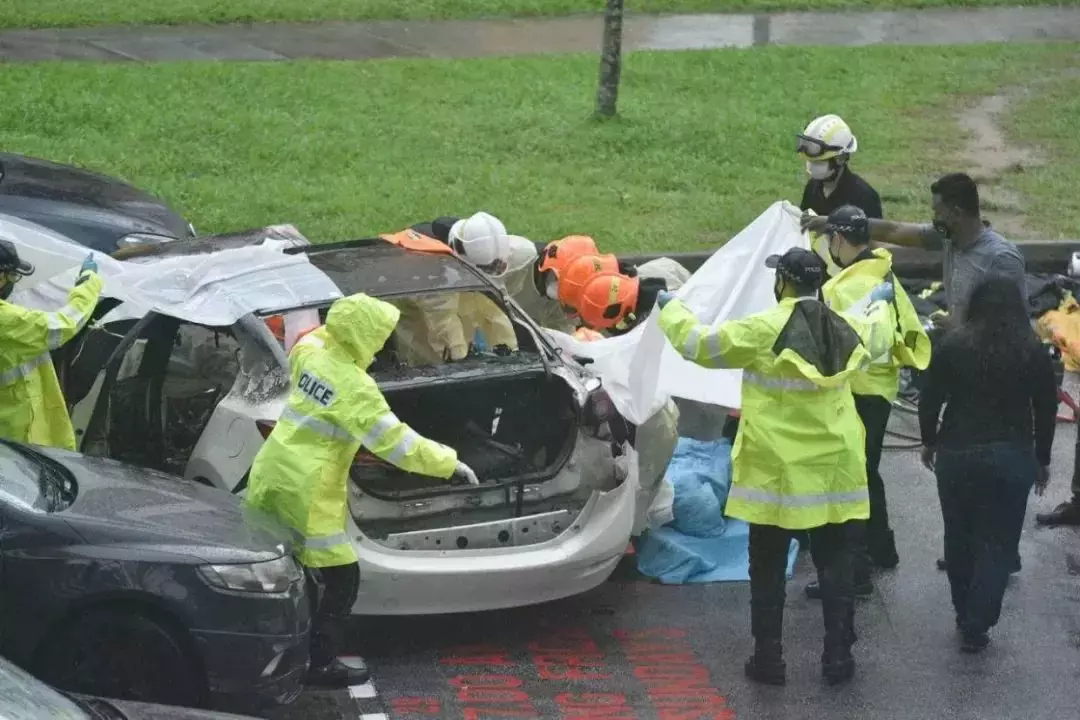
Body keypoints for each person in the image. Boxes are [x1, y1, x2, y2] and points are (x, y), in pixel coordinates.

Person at [656, 248, 894, 686]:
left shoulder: (763, 329)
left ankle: (769, 660)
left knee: (766, 569)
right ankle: (837, 658)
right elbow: (880, 334)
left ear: (782, 282)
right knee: (835, 566)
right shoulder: (846, 327)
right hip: (834, 470)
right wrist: (882, 301)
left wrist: (670, 310)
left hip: (776, 472)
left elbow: (698, 344)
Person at [244, 293, 481, 687]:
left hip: (273, 471)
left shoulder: (312, 352)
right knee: (341, 578)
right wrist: (450, 464)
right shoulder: (356, 388)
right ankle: (318, 663)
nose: (384, 343)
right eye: (379, 335)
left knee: (286, 569)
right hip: (309, 491)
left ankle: (269, 642)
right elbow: (399, 445)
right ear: (363, 336)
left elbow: (308, 334)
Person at [803, 173, 1027, 571]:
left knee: (987, 460)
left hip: (991, 378)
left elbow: (1012, 326)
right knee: (960, 463)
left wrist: (961, 328)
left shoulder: (1001, 258)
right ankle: (966, 548)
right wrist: (835, 223)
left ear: (956, 212)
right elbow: (893, 229)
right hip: (959, 366)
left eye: (937, 211)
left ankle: (999, 555)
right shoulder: (948, 238)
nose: (932, 218)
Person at [918, 276, 1056, 653]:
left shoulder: (953, 345)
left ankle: (963, 610)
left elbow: (929, 396)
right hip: (1012, 456)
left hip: (958, 453)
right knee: (998, 542)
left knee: (959, 537)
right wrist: (1042, 459)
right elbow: (1046, 409)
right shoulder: (1031, 350)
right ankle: (978, 620)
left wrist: (929, 439)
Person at [802, 206, 931, 602]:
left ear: (840, 240)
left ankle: (854, 574)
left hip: (858, 391)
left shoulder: (845, 288)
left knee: (849, 482)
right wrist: (812, 227)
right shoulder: (877, 269)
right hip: (881, 387)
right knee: (868, 473)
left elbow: (834, 346)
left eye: (829, 240)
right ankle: (881, 548)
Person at [0, 241, 102, 450]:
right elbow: (65, 324)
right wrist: (88, 283)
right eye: (12, 276)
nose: (13, 283)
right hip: (15, 437)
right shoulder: (6, 321)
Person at [381, 216, 519, 363]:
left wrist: (513, 350)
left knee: (483, 311)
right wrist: (461, 361)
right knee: (428, 353)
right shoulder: (429, 268)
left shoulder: (475, 243)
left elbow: (495, 306)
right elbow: (443, 324)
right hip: (419, 295)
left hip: (452, 276)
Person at [797, 114, 883, 276]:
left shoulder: (864, 196)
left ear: (841, 158)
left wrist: (832, 225)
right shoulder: (812, 188)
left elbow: (874, 246)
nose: (813, 168)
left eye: (820, 163)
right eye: (811, 163)